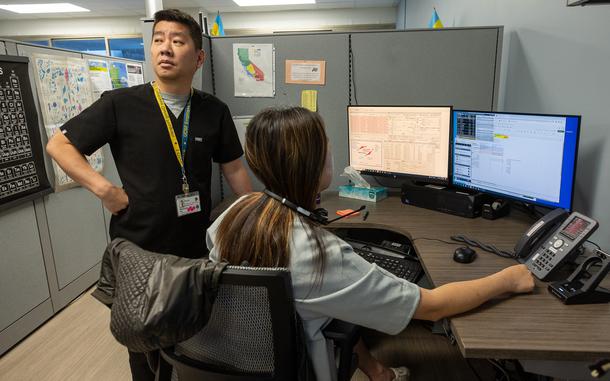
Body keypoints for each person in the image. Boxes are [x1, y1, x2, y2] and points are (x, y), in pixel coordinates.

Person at [206, 106, 535, 381]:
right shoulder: (320, 255)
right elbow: (433, 306)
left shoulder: (232, 216)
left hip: (241, 357)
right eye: (327, 146)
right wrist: (507, 278)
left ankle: (379, 373)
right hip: (301, 363)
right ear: (315, 162)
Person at [46, 9, 251, 381]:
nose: (165, 48)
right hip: (138, 249)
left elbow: (234, 168)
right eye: (158, 40)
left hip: (193, 248)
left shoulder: (213, 111)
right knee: (143, 346)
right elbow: (59, 145)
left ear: (199, 56)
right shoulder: (120, 104)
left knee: (196, 339)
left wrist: (255, 215)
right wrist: (104, 189)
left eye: (177, 40)